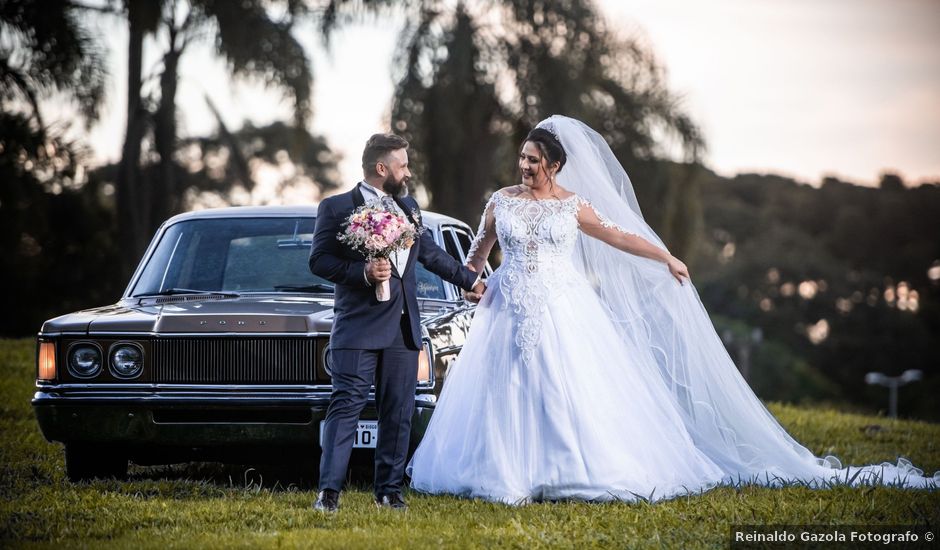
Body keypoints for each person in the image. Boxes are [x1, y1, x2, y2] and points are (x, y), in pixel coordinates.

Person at [406, 115, 937, 504]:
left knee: (564, 384)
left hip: (564, 306)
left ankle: (570, 468)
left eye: (534, 161)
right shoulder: (500, 202)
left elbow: (618, 237)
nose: (524, 167)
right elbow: (476, 257)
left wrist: (666, 257)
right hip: (508, 305)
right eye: (521, 159)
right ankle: (502, 472)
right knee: (508, 386)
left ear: (556, 165)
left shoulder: (574, 207)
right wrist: (473, 284)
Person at [309, 133, 486, 512]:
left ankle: (388, 493)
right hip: (357, 329)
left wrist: (471, 280)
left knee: (399, 412)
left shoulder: (410, 208)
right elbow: (319, 261)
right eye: (402, 165)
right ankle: (329, 494)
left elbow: (431, 255)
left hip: (403, 330)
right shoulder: (337, 207)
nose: (408, 171)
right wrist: (363, 272)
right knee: (346, 408)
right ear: (381, 168)